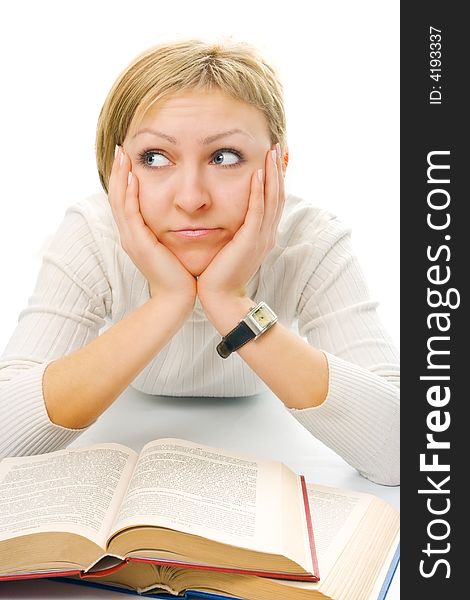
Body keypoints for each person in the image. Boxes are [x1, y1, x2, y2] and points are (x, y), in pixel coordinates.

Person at [0, 38, 399, 485]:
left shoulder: (312, 240)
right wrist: (167, 300)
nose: (191, 199)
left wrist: (228, 300)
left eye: (224, 157)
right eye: (155, 158)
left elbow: (405, 451)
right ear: (116, 172)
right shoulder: (94, 233)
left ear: (278, 165)